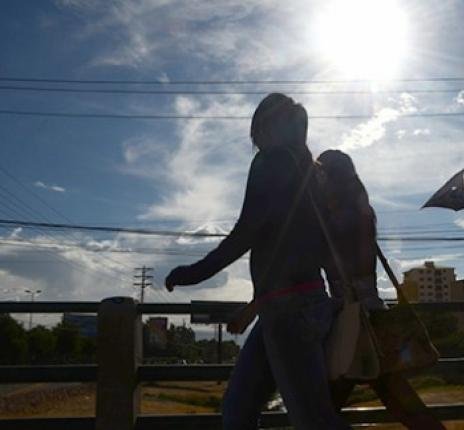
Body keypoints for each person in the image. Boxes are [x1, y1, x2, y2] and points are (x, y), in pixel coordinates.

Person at [164, 93, 350, 430]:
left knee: (311, 421)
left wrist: (194, 273)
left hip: (288, 312)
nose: (255, 140)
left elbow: (247, 230)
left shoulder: (272, 161)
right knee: (238, 411)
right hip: (291, 306)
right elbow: (312, 247)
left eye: (256, 131)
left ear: (266, 126)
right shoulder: (310, 172)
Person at [317, 149, 446, 430]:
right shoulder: (352, 212)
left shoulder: (346, 217)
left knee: (327, 409)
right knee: (398, 402)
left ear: (330, 177)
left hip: (359, 319)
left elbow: (362, 266)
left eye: (320, 172)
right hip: (361, 317)